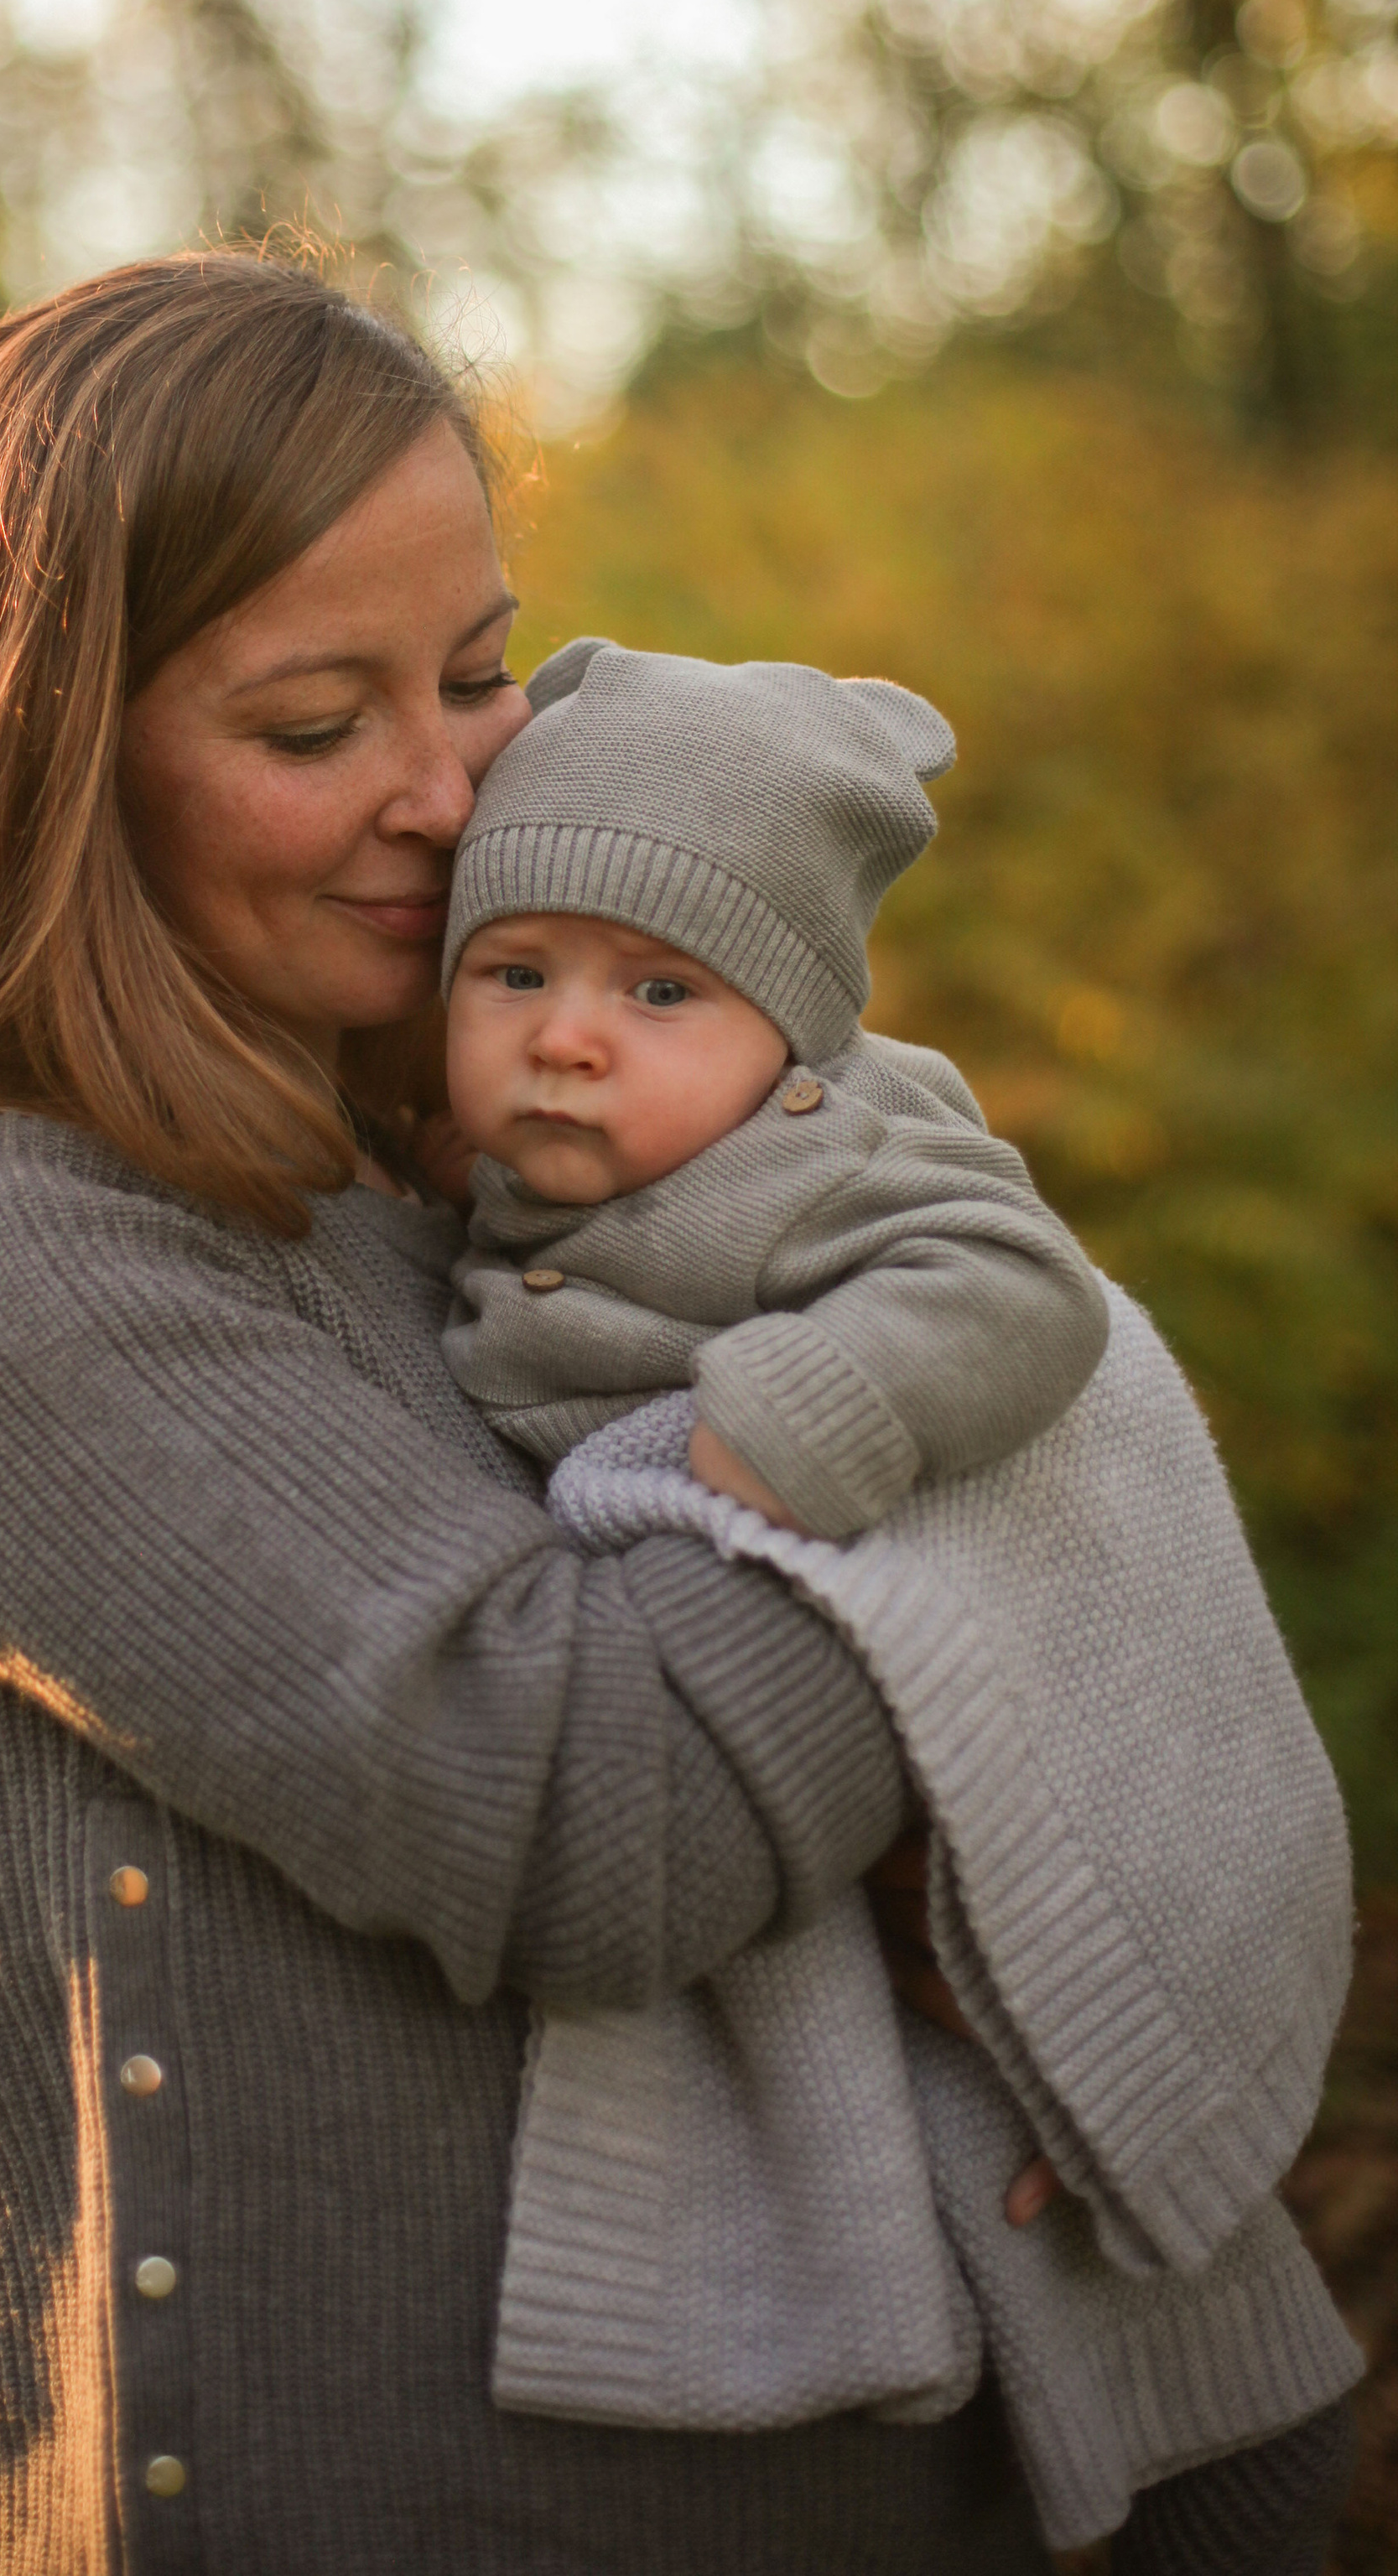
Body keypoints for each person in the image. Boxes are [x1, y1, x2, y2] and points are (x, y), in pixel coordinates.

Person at [0, 250, 1085, 2571]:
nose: (445, 786)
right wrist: (963, 1417)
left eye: (480, 674)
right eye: (313, 726)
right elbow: (604, 1814)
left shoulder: (453, 1172)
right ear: (46, 766)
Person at [439, 637, 1361, 2569]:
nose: (566, 1038)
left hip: (981, 1711)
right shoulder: (517, 1184)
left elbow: (1020, 1296)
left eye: (657, 990)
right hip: (793, 1828)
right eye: (512, 972)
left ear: (787, 1029)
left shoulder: (828, 1152)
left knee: (1077, 2125)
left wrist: (807, 1413)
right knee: (957, 2172)